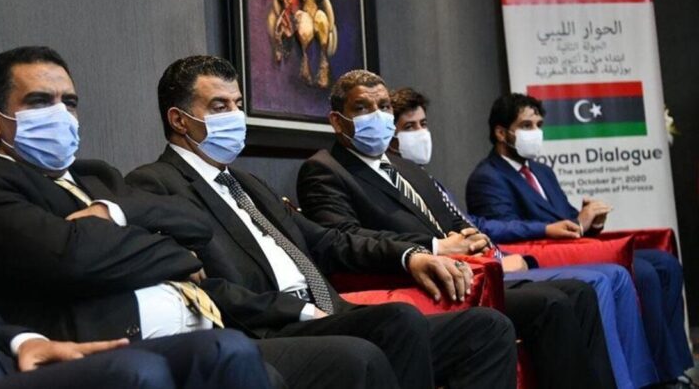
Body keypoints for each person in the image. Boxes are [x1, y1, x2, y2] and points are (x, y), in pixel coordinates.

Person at [0, 46, 394, 389]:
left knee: (361, 356)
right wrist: (170, 253)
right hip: (129, 340)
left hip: (204, 327)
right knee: (235, 355)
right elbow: (72, 258)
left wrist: (112, 212)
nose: (61, 115)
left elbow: (193, 226)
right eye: (39, 102)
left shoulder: (97, 176)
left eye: (68, 102)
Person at [126, 55, 518, 389]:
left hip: (327, 312)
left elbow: (327, 240)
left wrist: (411, 255)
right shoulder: (155, 184)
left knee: (487, 330)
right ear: (179, 120)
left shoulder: (247, 182)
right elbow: (196, 287)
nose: (235, 116)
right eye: (219, 107)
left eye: (238, 104)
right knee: (396, 323)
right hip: (267, 328)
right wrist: (297, 310)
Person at [296, 72, 616, 389]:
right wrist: (433, 246)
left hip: (471, 275)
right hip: (417, 286)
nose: (377, 116)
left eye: (384, 106)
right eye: (362, 108)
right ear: (337, 121)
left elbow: (453, 220)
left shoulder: (404, 166)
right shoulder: (324, 170)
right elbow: (342, 240)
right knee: (551, 303)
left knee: (579, 292)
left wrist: (471, 237)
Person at [385, 87, 658, 389]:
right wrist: (533, 237)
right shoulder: (482, 176)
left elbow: (474, 226)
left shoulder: (431, 178)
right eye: (409, 127)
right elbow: (486, 227)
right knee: (582, 289)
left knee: (623, 275)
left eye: (423, 124)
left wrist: (587, 224)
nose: (421, 133)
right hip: (475, 271)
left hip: (498, 259)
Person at [466, 93, 694, 386]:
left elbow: (567, 219)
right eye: (526, 126)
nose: (535, 132)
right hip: (543, 256)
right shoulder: (487, 177)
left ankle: (671, 368)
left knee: (665, 263)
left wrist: (589, 223)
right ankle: (652, 378)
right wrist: (551, 228)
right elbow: (500, 229)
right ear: (501, 132)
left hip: (572, 247)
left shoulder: (542, 171)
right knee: (644, 272)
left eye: (538, 125)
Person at [0, 241, 271, 389]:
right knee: (137, 372)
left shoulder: (97, 177)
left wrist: (24, 340)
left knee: (225, 349)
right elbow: (73, 259)